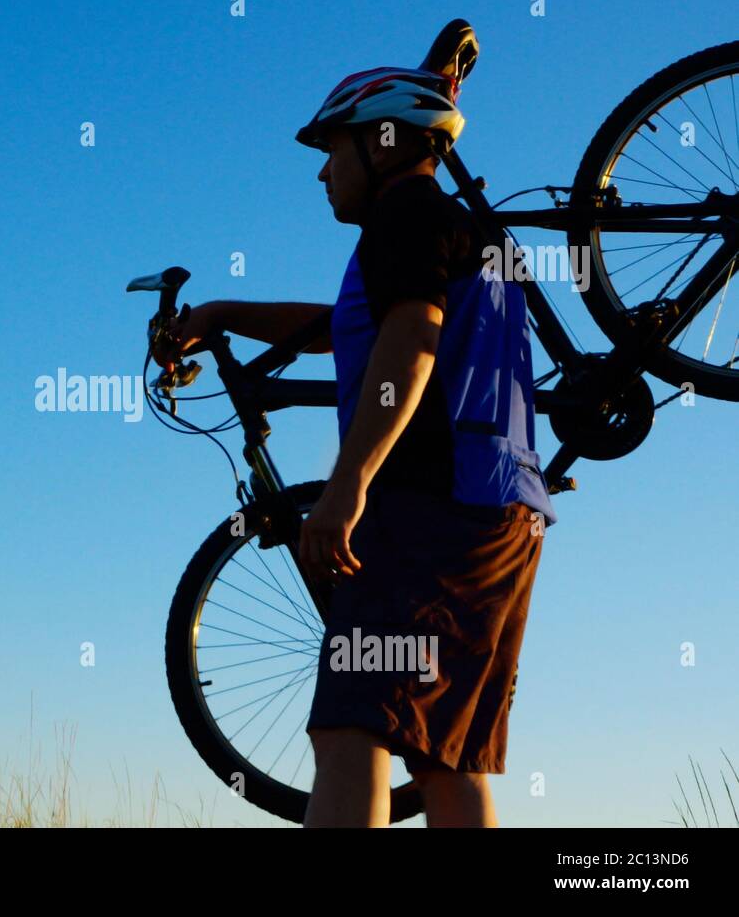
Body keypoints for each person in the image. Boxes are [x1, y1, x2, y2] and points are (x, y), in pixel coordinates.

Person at [158, 66, 556, 827]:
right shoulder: (443, 226)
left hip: (430, 513)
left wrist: (347, 488)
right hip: (499, 517)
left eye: (332, 147)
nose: (321, 169)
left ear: (384, 144)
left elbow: (410, 342)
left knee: (350, 730)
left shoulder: (405, 217)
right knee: (447, 760)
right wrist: (227, 312)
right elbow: (351, 325)